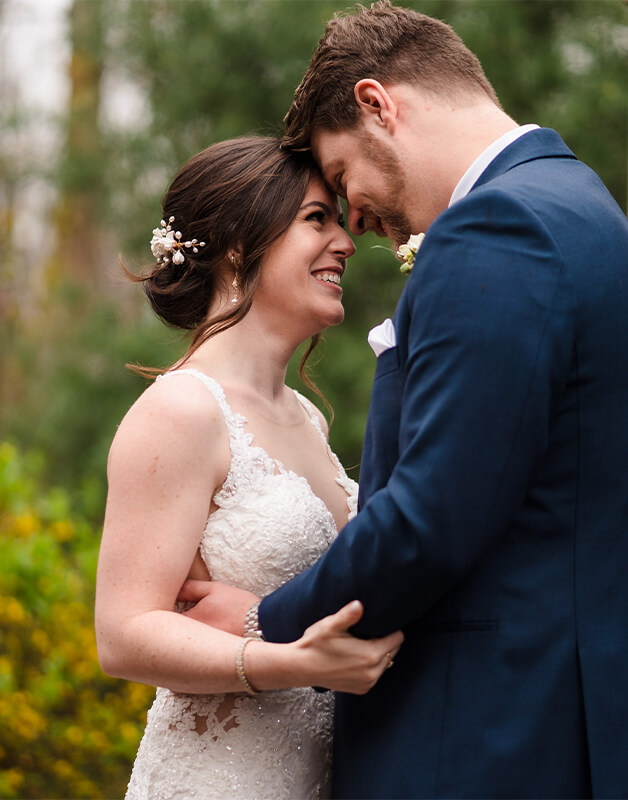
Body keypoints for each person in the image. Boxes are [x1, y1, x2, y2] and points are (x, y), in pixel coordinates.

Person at [181, 3, 628, 798]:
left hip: (483, 735)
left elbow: (432, 517)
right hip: (555, 712)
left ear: (378, 104)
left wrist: (264, 624)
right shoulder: (586, 208)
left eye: (343, 178)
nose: (357, 221)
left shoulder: (497, 227)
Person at [94, 135, 403, 800]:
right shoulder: (181, 410)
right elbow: (122, 634)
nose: (346, 243)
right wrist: (286, 661)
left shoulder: (308, 419)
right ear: (239, 246)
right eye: (317, 220)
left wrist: (267, 619)